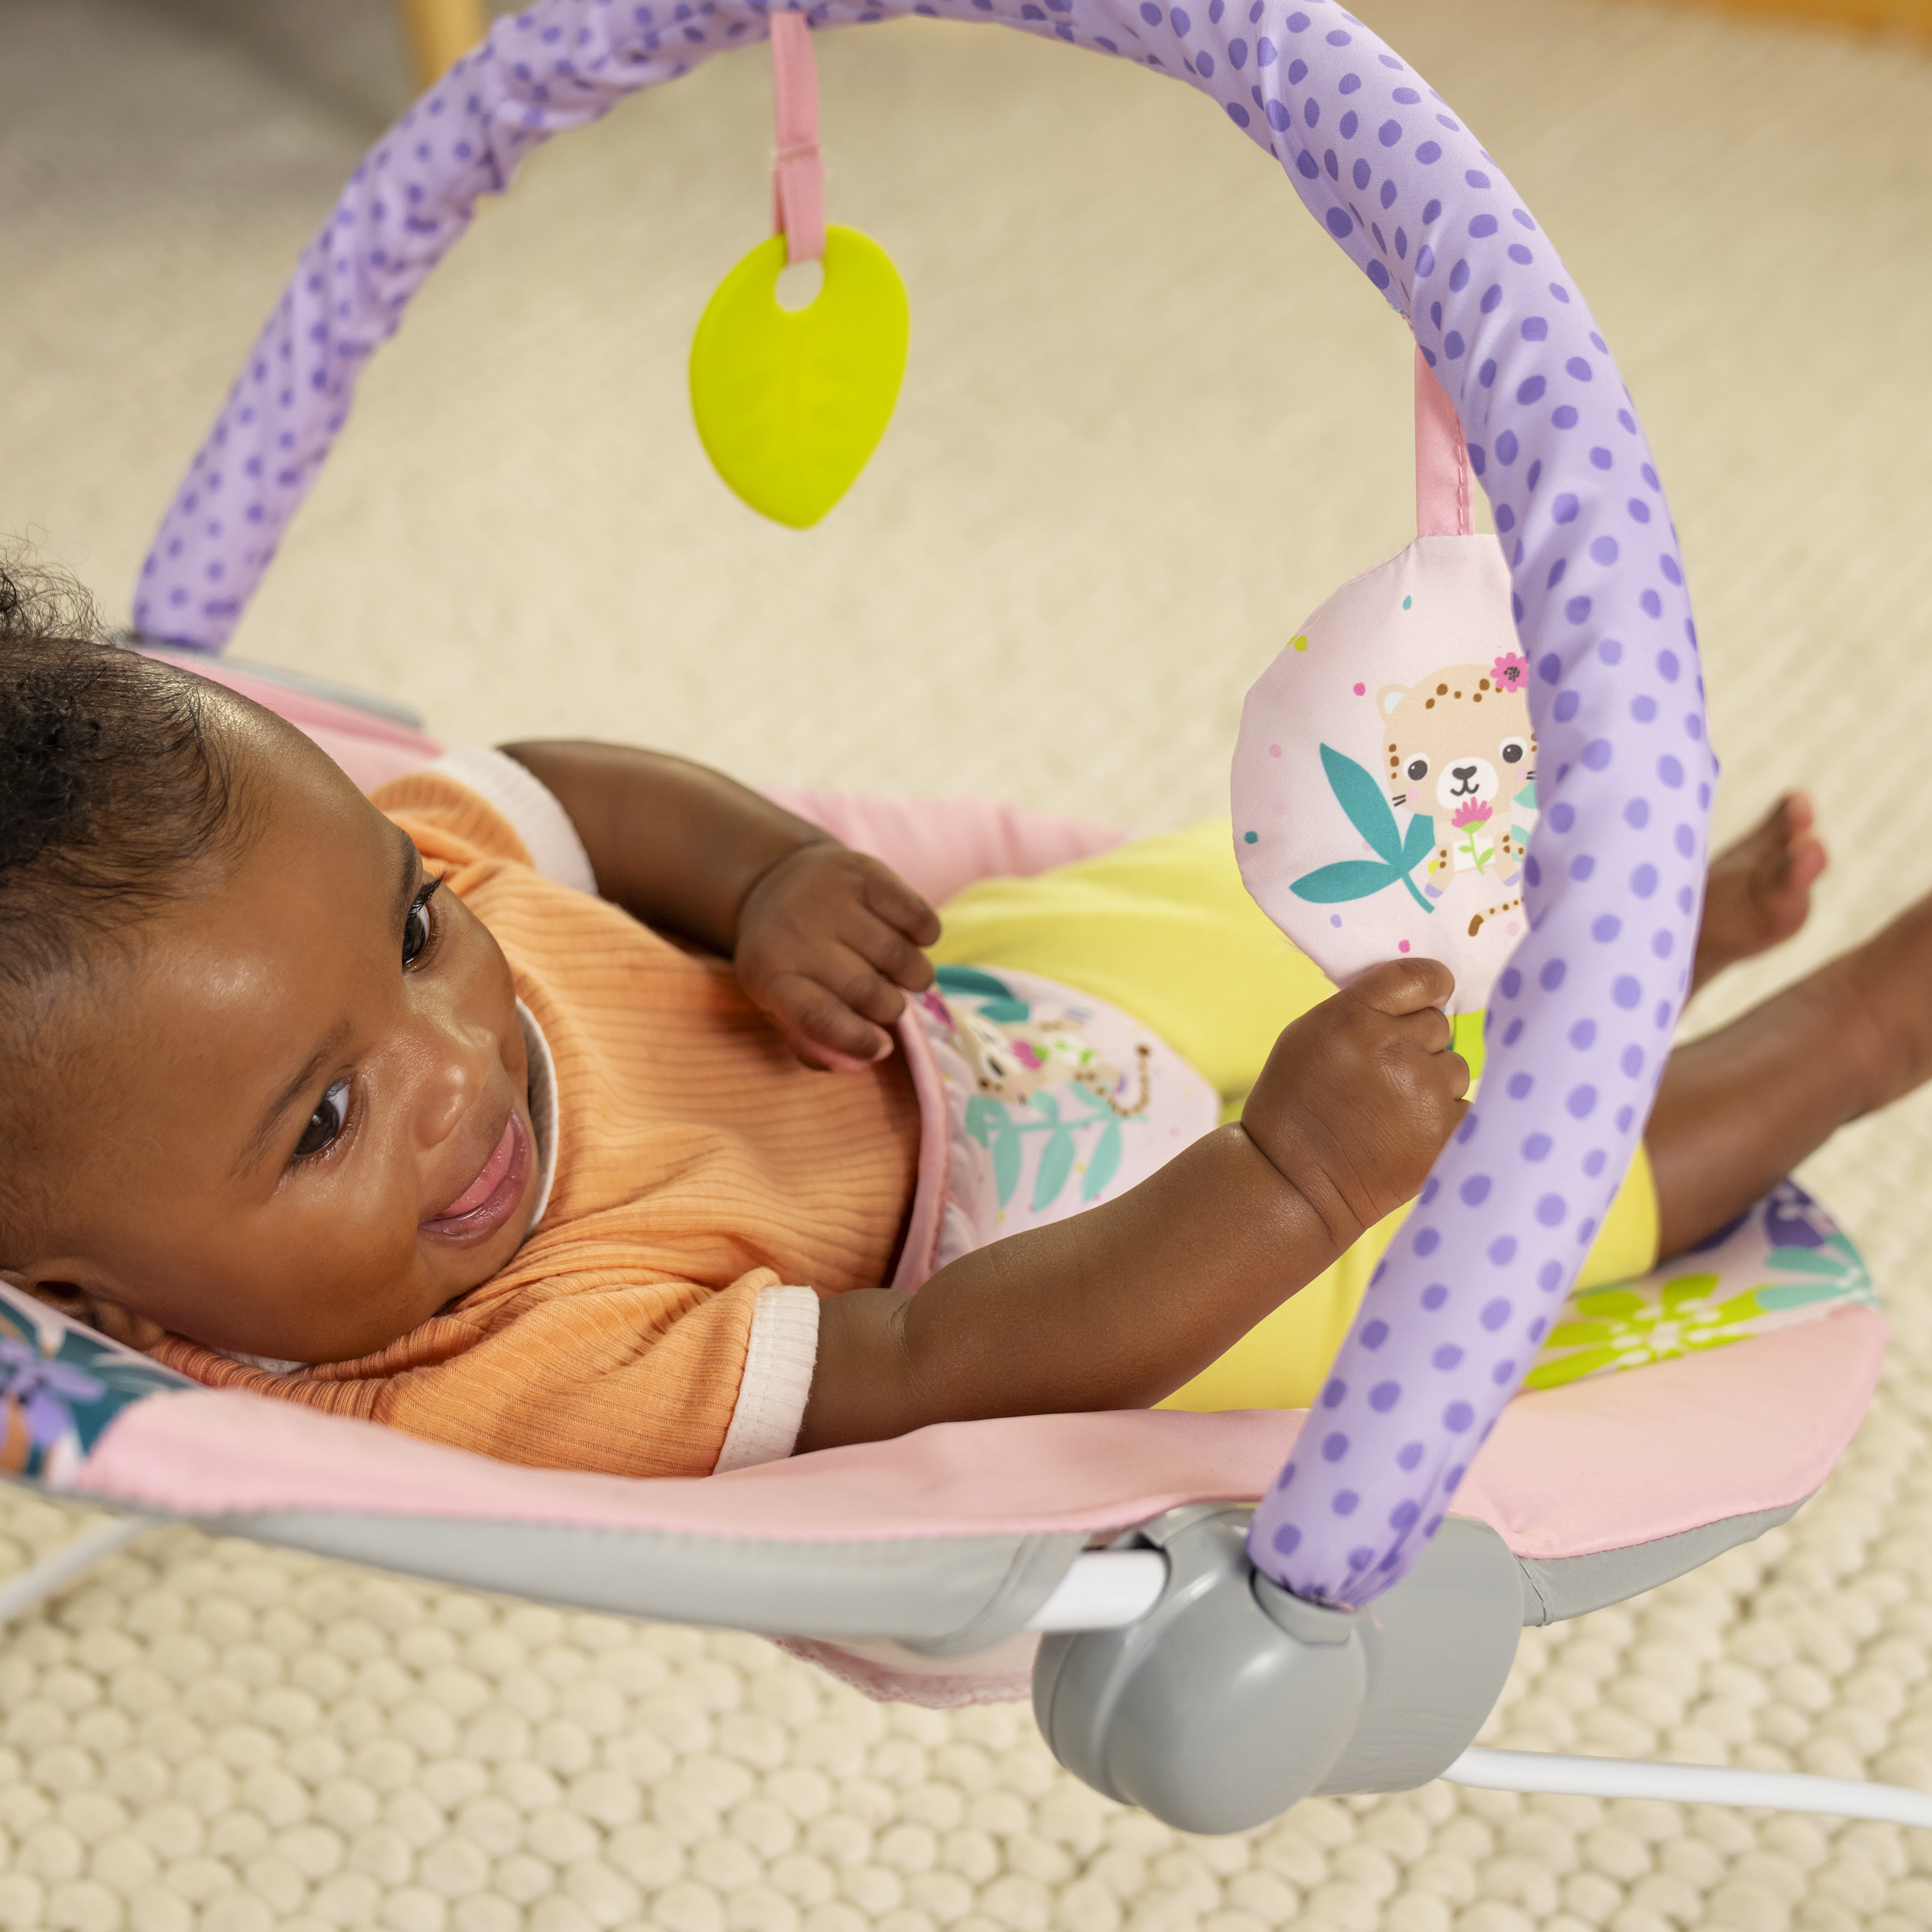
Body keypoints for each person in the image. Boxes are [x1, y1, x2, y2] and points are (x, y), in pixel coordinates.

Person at [4, 567, 1894, 1483]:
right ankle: (1852, 1034)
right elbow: (932, 1363)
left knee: (1249, 913)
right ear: (90, 1296)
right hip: (1058, 1248)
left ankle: (1615, 937)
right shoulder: (503, 1377)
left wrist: (763, 878)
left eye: (419, 931)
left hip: (964, 1011)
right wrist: (1294, 1181)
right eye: (323, 1125)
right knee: (1473, 1216)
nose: (449, 1065)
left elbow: (554, 792)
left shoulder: (328, 897)